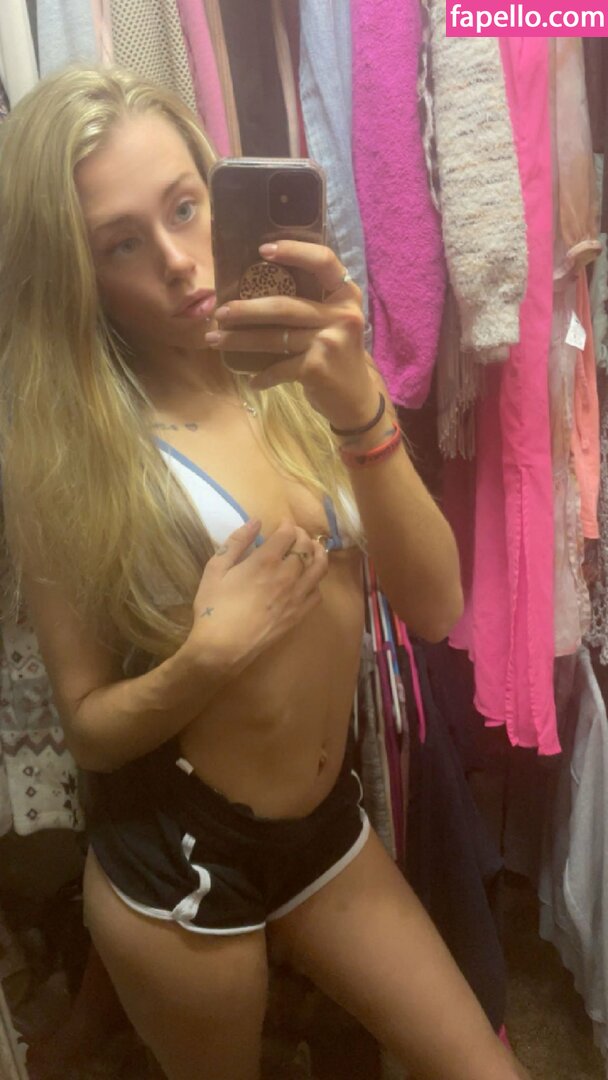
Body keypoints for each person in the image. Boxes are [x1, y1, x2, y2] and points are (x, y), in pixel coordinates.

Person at [0, 66, 531, 1080]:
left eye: (184, 208)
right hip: (180, 864)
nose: (178, 262)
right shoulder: (71, 452)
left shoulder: (302, 366)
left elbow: (434, 605)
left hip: (327, 831)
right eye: (121, 244)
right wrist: (208, 657)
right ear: (77, 273)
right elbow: (89, 728)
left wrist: (359, 405)